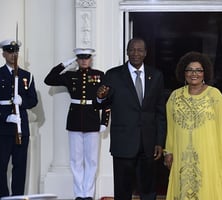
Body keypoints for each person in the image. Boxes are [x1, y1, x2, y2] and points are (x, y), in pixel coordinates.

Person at [96, 38, 166, 200]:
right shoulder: (113, 75)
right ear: (127, 52)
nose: (135, 53)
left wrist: (159, 142)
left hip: (148, 143)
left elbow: (160, 112)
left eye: (140, 50)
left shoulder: (156, 76)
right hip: (123, 142)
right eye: (132, 49)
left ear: (145, 53)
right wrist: (100, 98)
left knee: (148, 189)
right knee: (122, 190)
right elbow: (102, 104)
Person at [163, 51, 222, 200]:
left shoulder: (215, 96)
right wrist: (168, 151)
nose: (194, 74)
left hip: (208, 154)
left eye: (198, 70)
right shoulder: (175, 97)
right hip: (181, 153)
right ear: (184, 73)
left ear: (205, 73)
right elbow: (171, 127)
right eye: (189, 70)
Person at [44, 48, 110, 200]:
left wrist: (104, 121)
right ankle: (79, 193)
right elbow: (49, 79)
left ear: (90, 59)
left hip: (93, 119)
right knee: (76, 160)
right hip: (74, 120)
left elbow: (107, 100)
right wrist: (66, 63)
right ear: (77, 60)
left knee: (92, 160)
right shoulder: (70, 75)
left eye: (86, 58)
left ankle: (89, 193)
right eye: (80, 58)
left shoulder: (100, 75)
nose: (84, 61)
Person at [0, 39, 38, 197]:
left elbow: (33, 100)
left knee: (20, 166)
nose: (13, 55)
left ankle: (17, 196)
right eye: (10, 51)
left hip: (21, 128)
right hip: (3, 128)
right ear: (3, 54)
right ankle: (3, 195)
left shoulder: (26, 76)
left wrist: (22, 101)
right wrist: (5, 117)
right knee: (1, 166)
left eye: (15, 51)